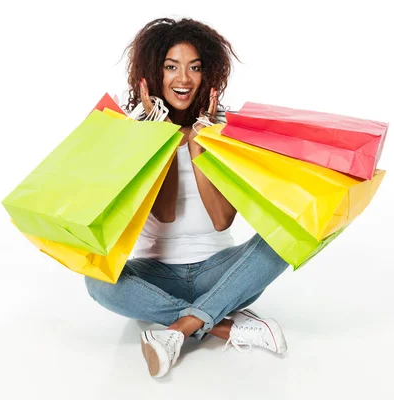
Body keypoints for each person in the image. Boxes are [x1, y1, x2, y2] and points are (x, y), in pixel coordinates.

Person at [84, 17, 289, 378]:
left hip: (221, 269)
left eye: (194, 67)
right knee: (97, 281)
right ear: (153, 73)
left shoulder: (223, 130)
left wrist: (199, 141)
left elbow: (222, 219)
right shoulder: (130, 133)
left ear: (207, 74)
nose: (183, 78)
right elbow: (164, 214)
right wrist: (158, 136)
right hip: (156, 274)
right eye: (171, 66)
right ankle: (223, 324)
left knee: (289, 234)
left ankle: (177, 330)